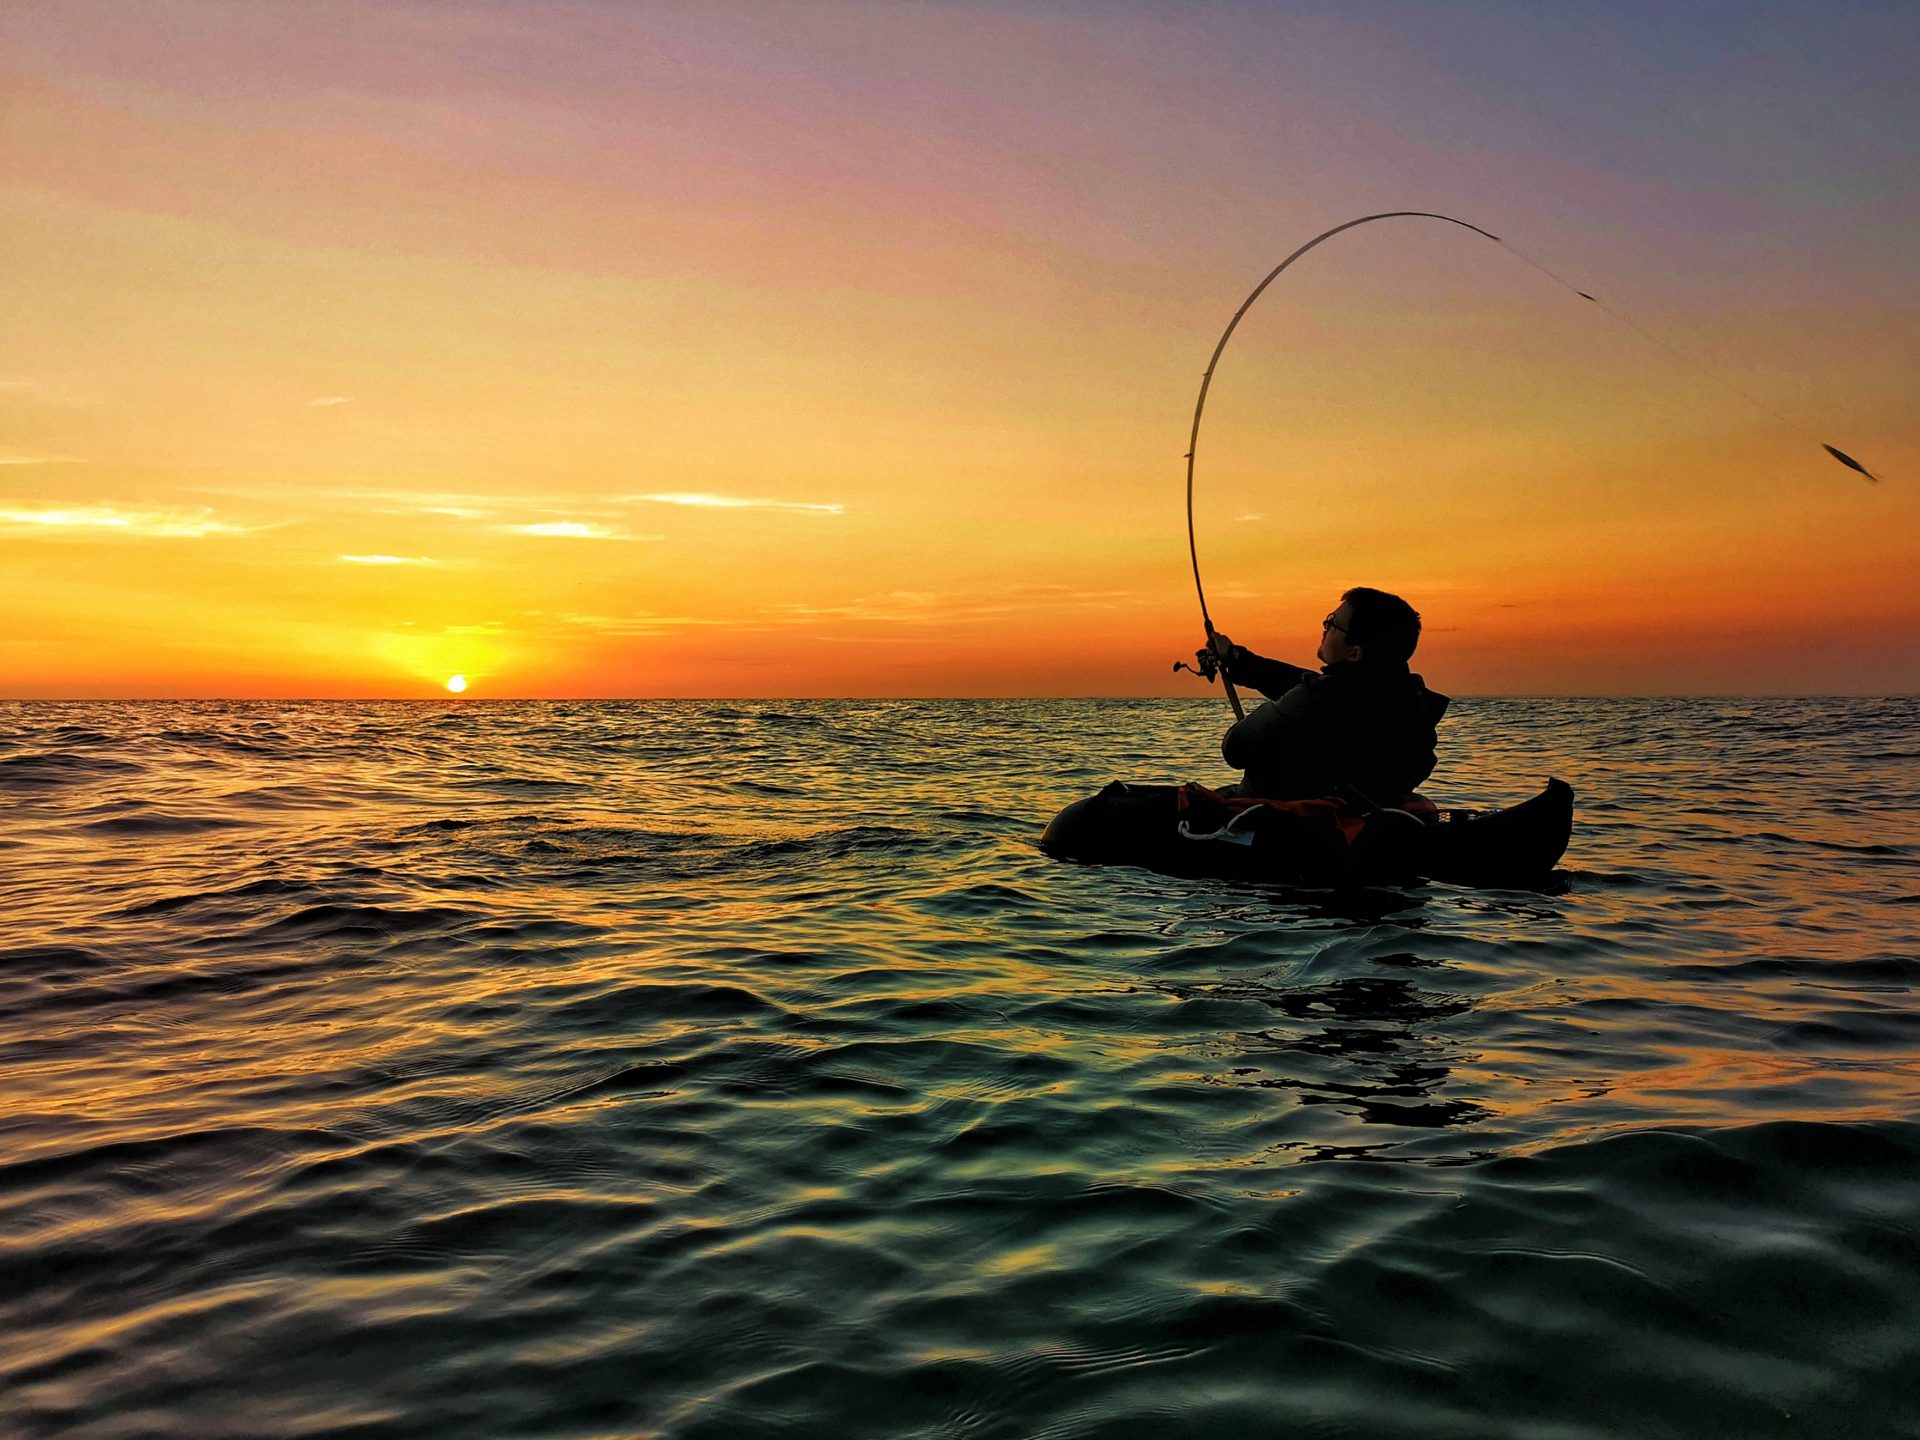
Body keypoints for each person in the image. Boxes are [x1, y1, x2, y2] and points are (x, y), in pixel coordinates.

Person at [1197, 586, 1449, 806]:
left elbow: (1236, 748)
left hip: (1287, 830)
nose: (1325, 628)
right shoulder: (1410, 704)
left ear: (1354, 653)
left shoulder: (1317, 699)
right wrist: (1237, 659)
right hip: (1360, 828)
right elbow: (1315, 689)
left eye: (1333, 623)